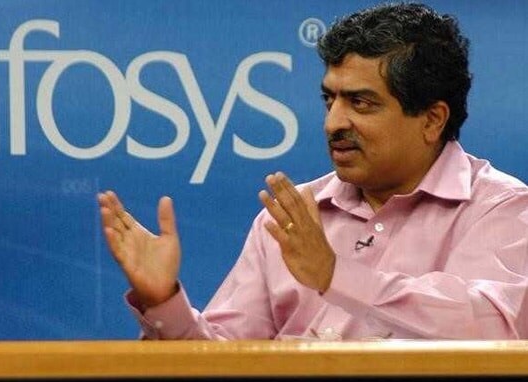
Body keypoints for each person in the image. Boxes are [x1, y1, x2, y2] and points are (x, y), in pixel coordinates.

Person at [97, 3, 528, 340]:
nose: (333, 123)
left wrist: (336, 276)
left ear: (432, 120)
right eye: (329, 100)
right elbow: (222, 365)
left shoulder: (500, 208)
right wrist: (164, 301)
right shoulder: (291, 218)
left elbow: (494, 330)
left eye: (361, 103)